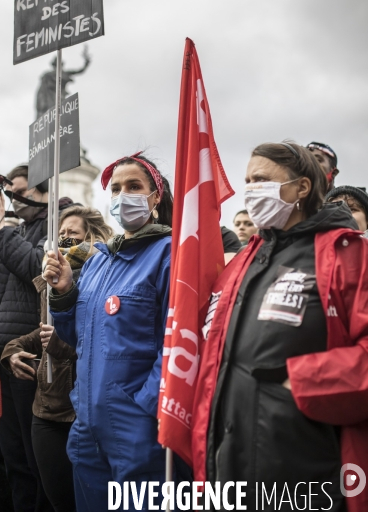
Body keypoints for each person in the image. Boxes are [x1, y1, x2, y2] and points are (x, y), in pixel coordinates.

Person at [192, 142, 368, 511]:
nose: (252, 189)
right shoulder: (246, 258)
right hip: (230, 460)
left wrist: (299, 382)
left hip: (304, 467)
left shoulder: (348, 254)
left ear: (302, 188)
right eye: (247, 181)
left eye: (262, 179)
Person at [43, 153, 179, 511]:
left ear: (155, 197)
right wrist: (64, 292)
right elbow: (78, 338)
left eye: (134, 186)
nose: (123, 195)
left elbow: (177, 343)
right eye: (116, 188)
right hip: (88, 424)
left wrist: (144, 408)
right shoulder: (99, 260)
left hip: (138, 428)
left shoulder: (170, 254)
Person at [0, 206, 113, 512]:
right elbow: (42, 332)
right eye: (60, 233)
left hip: (83, 409)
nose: (64, 238)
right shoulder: (48, 278)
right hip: (47, 406)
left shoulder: (105, 276)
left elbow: (102, 342)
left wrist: (63, 347)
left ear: (92, 236)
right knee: (53, 496)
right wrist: (12, 349)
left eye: (72, 233)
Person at [0, 164, 73, 512]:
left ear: (45, 192)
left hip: (30, 356)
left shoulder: (59, 223)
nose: (11, 199)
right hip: (0, 352)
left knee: (35, 460)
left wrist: (1, 228)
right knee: (10, 456)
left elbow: (38, 268)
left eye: (19, 190)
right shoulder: (15, 230)